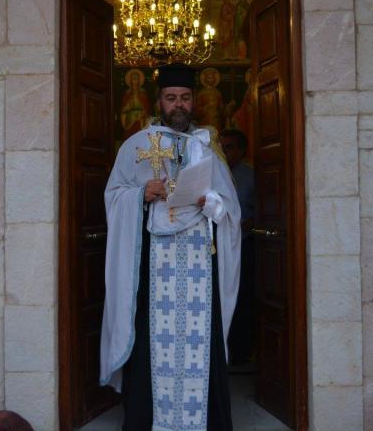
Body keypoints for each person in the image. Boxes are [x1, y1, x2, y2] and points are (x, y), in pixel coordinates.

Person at [100, 63, 242, 431]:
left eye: (185, 97)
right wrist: (141, 194)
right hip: (154, 268)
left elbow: (229, 211)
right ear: (159, 101)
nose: (178, 104)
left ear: (194, 102)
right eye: (171, 97)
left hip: (199, 268)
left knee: (201, 341)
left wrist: (210, 202)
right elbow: (113, 196)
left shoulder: (207, 148)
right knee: (152, 341)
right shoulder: (135, 145)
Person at [220, 129, 256, 366]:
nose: (225, 152)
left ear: (242, 150)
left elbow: (267, 208)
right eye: (222, 147)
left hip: (245, 244)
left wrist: (249, 222)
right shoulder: (213, 173)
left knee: (243, 298)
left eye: (231, 147)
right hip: (218, 247)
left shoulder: (251, 177)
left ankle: (241, 354)